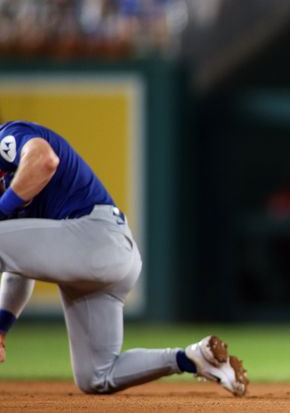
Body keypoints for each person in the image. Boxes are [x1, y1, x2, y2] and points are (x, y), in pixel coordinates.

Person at [0, 120, 248, 396]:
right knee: (97, 376)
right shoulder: (17, 201)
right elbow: (17, 267)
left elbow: (44, 160)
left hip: (92, 238)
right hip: (110, 256)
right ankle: (194, 358)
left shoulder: (8, 135)